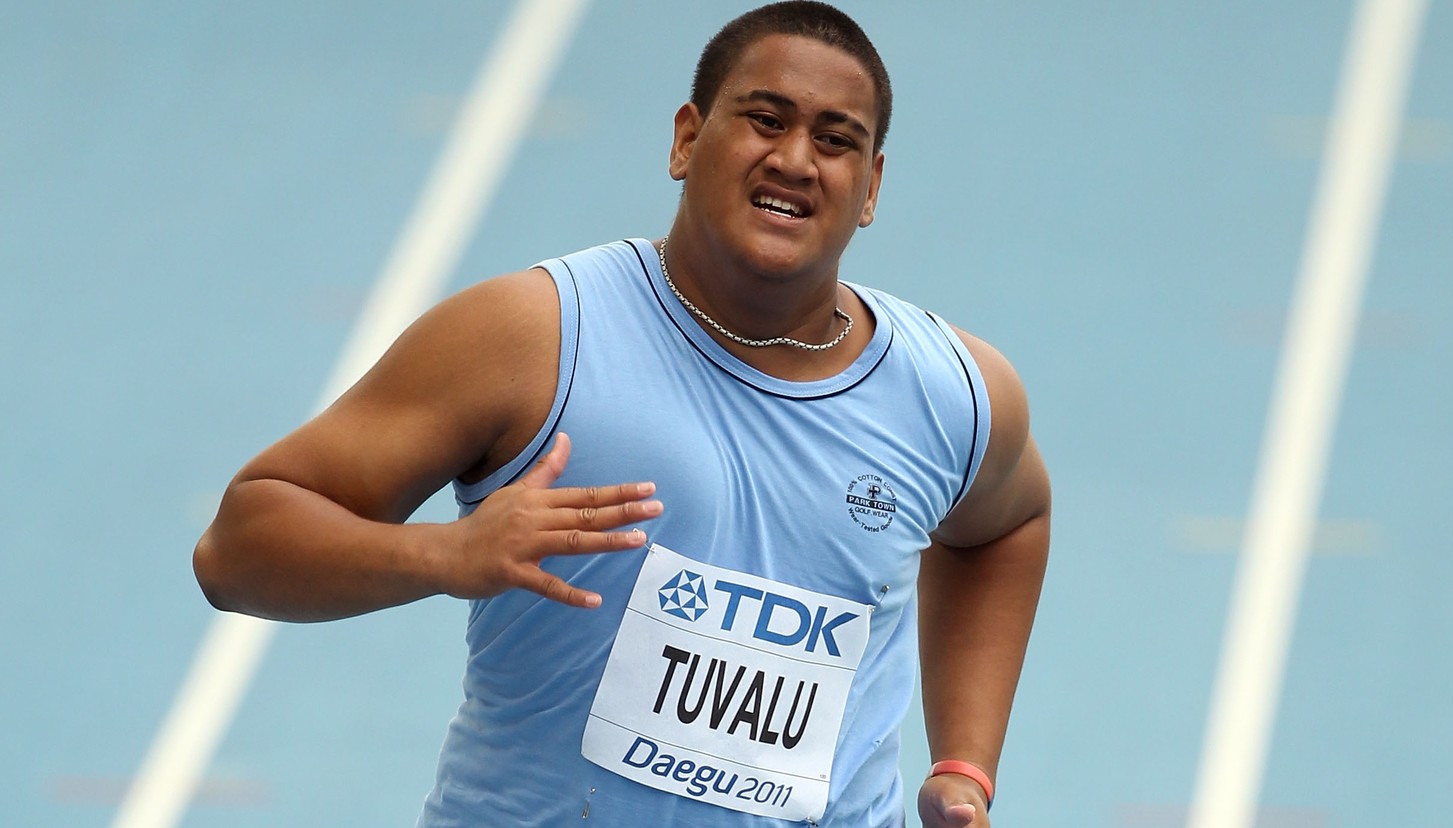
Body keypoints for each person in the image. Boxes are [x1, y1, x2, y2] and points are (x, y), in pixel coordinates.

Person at [193, 2, 1050, 825]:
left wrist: (964, 766)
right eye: (765, 119)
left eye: (836, 141)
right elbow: (236, 549)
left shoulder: (951, 393)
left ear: (870, 188)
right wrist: (444, 554)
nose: (795, 159)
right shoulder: (533, 338)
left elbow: (1008, 524)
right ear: (686, 139)